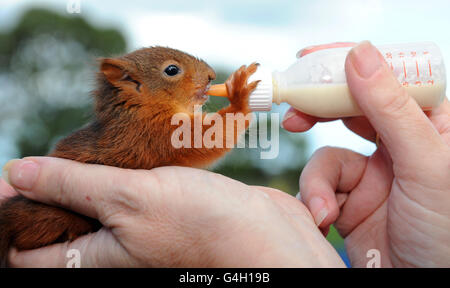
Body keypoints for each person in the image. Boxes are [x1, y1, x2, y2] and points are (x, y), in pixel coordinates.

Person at [1, 41, 449, 267]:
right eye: (174, 73)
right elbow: (197, 143)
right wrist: (237, 108)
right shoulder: (143, 123)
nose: (204, 77)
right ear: (129, 84)